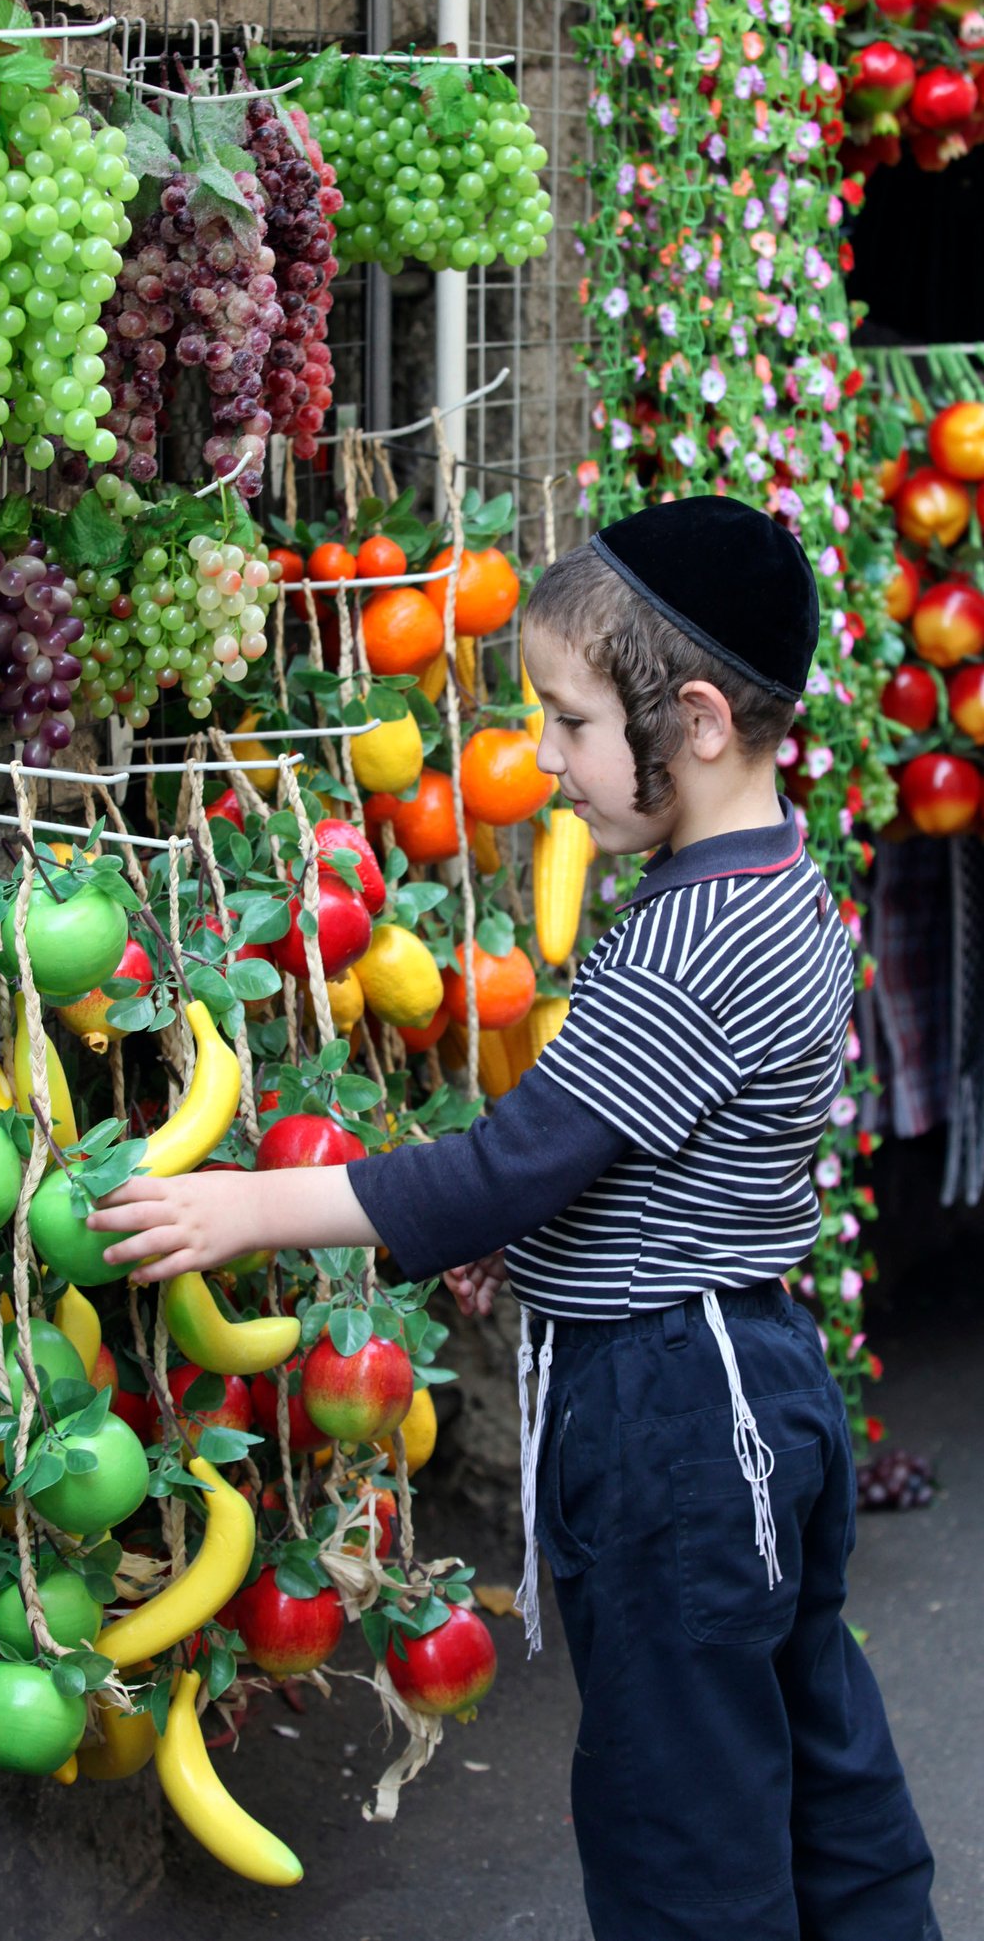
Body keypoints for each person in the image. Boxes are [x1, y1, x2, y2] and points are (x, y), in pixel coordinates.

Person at [88, 496, 940, 1941]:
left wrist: (248, 1206)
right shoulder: (773, 889)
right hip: (755, 1382)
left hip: (674, 1418)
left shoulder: (687, 942)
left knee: (681, 1817)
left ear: (700, 721)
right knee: (814, 1759)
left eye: (569, 719)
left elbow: (509, 1161)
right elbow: (655, 1154)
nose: (542, 760)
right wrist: (544, 1235)